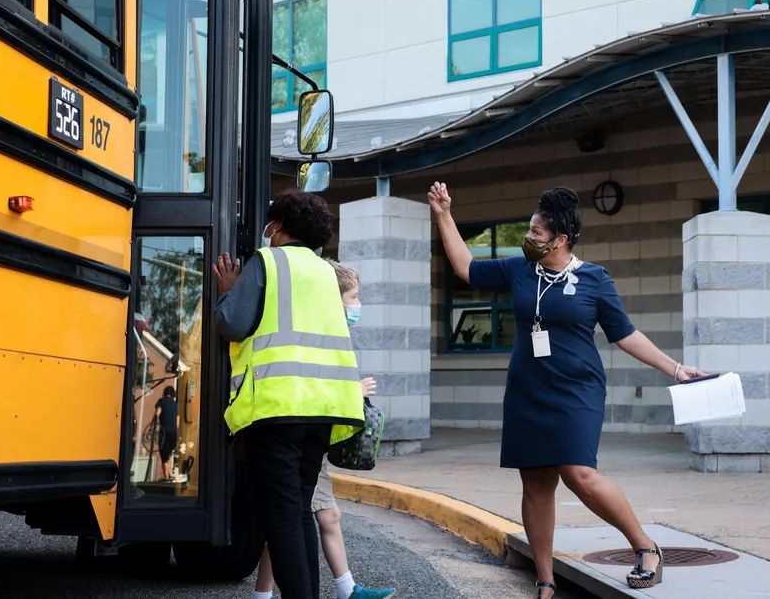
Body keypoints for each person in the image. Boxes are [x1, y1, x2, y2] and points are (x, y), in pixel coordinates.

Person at [429, 183, 708, 598]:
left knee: (579, 474)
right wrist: (444, 213)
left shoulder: (594, 279)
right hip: (527, 390)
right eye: (529, 229)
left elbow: (625, 334)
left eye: (536, 233)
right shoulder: (519, 270)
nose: (528, 237)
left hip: (578, 390)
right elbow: (466, 267)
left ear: (560, 240)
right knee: (536, 483)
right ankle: (545, 581)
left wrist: (676, 367)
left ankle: (647, 548)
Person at [214, 190, 365, 599]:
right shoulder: (323, 271)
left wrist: (227, 290)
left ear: (277, 228)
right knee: (298, 510)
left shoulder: (268, 262)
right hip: (324, 407)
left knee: (280, 516)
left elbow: (232, 323)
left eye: (269, 225)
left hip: (278, 406)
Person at [253, 261, 395, 599]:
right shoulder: (322, 336)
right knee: (302, 518)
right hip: (307, 440)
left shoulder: (329, 332)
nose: (358, 305)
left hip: (311, 440)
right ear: (336, 301)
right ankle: (343, 590)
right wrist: (353, 391)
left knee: (294, 520)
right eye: (355, 297)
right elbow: (314, 384)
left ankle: (338, 589)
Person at [155, 385, 178, 481]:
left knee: (164, 454)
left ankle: (166, 477)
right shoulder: (175, 404)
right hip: (173, 432)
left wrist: (153, 424)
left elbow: (157, 414)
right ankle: (169, 475)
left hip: (164, 432)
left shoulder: (161, 401)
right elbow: (177, 421)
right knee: (169, 454)